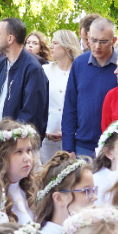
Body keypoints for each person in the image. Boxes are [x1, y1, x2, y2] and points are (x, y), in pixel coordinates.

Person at [0, 18, 51, 138]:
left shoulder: (33, 69)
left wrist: (8, 135)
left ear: (10, 38)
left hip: (19, 142)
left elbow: (31, 113)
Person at [61, 18, 118, 156]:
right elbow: (70, 106)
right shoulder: (79, 63)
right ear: (87, 37)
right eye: (93, 40)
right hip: (83, 145)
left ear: (114, 40)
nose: (97, 46)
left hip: (115, 146)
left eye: (103, 41)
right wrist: (68, 147)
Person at [41, 30, 77, 164]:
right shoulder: (45, 70)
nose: (51, 46)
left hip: (73, 138)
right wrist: (46, 131)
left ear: (68, 46)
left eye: (55, 43)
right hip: (47, 137)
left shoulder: (78, 71)